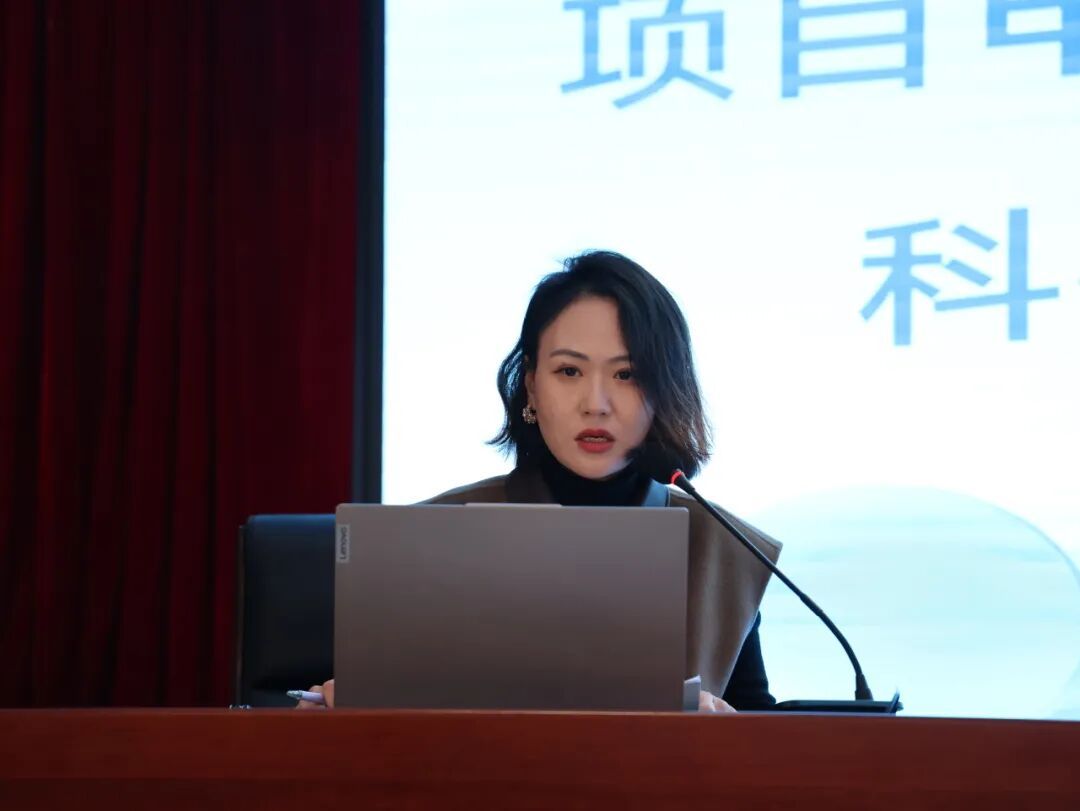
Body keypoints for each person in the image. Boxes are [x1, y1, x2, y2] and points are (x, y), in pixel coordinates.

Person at [298, 250, 781, 713]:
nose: (595, 404)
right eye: (569, 371)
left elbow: (767, 743)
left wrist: (723, 731)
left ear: (665, 389)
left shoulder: (722, 549)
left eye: (627, 374)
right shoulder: (429, 533)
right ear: (531, 384)